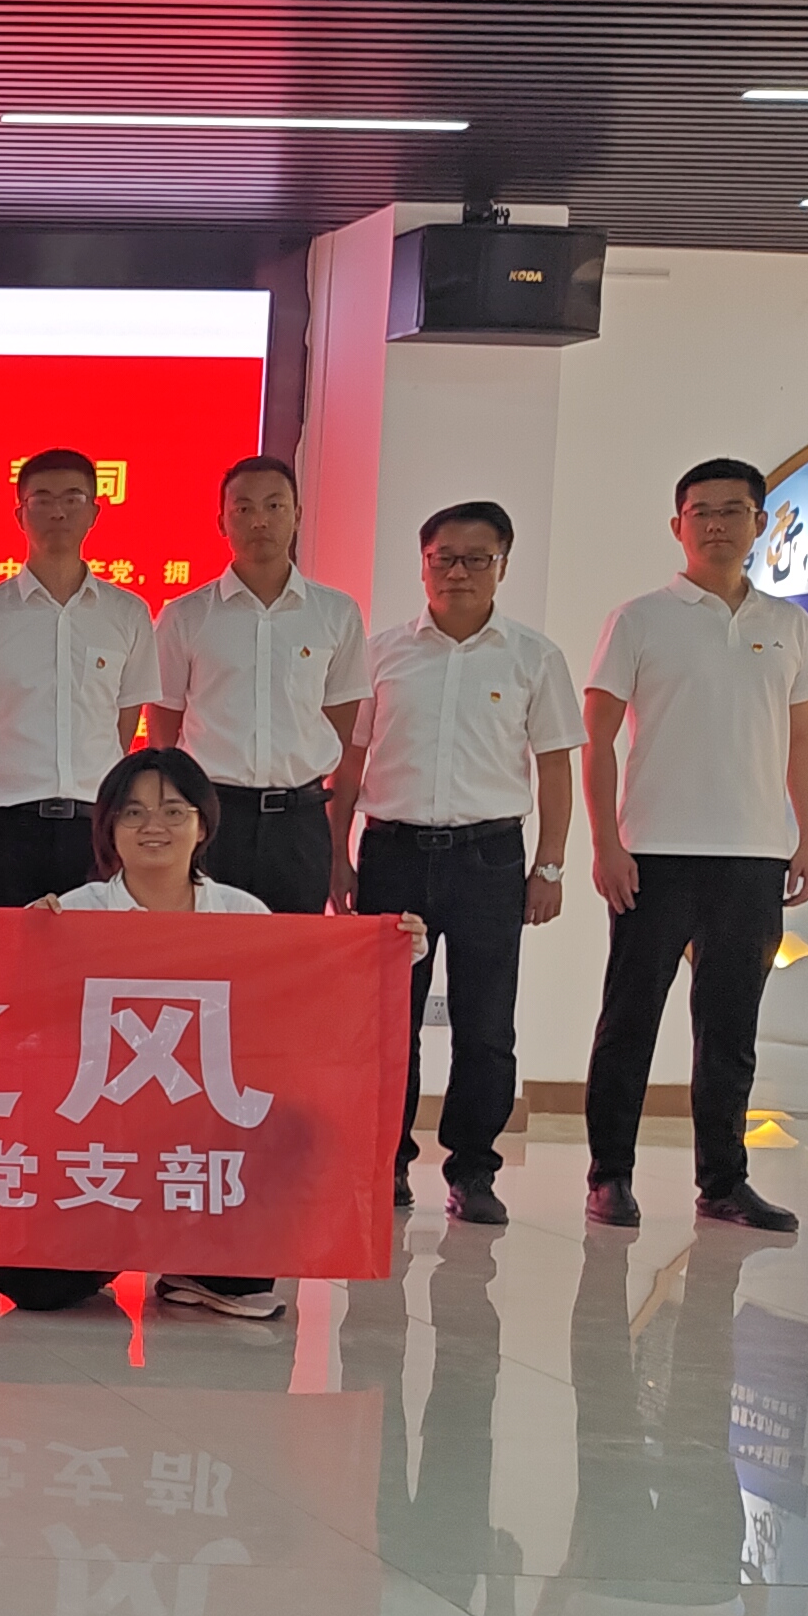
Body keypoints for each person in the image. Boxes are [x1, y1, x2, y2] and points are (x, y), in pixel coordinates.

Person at [0, 747, 422, 1323]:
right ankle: (118, 1248)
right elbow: (21, 1021)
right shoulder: (73, 913)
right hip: (104, 1133)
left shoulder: (241, 913)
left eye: (173, 811)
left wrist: (389, 952)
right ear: (109, 829)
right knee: (30, 1284)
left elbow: (310, 988)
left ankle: (203, 1266)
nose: (154, 826)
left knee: (294, 1128)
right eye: (133, 813)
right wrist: (25, 941)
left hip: (208, 1128)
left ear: (202, 826)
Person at [578, 457, 808, 1236]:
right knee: (629, 1023)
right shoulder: (639, 619)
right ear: (678, 525)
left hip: (752, 857)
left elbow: (804, 739)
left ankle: (723, 1181)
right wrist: (606, 843)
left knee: (730, 1031)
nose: (717, 525)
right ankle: (609, 1177)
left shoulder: (788, 625)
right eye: (702, 513)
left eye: (733, 511)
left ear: (760, 522)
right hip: (653, 854)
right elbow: (595, 737)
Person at [330, 500, 581, 1226]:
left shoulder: (534, 657)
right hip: (393, 853)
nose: (458, 572)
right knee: (387, 1025)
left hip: (489, 857)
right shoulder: (380, 654)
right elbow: (349, 764)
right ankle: (387, 1162)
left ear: (503, 565)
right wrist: (337, 856)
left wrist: (551, 866)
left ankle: (473, 1170)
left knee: (486, 1027)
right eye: (444, 558)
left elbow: (555, 767)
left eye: (477, 559)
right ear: (424, 564)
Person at [140, 453, 367, 914]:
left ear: (297, 515)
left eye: (274, 506)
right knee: (207, 947)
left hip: (300, 821)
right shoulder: (186, 616)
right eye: (243, 508)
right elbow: (163, 729)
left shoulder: (335, 613)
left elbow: (338, 728)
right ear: (221, 522)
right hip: (213, 818)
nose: (259, 520)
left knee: (293, 951)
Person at [0, 447, 155, 906]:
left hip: (95, 827)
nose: (58, 512)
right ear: (19, 514)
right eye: (41, 499)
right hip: (3, 828)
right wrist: (0, 786)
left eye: (72, 499)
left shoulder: (127, 614)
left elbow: (123, 725)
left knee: (92, 950)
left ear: (94, 512)